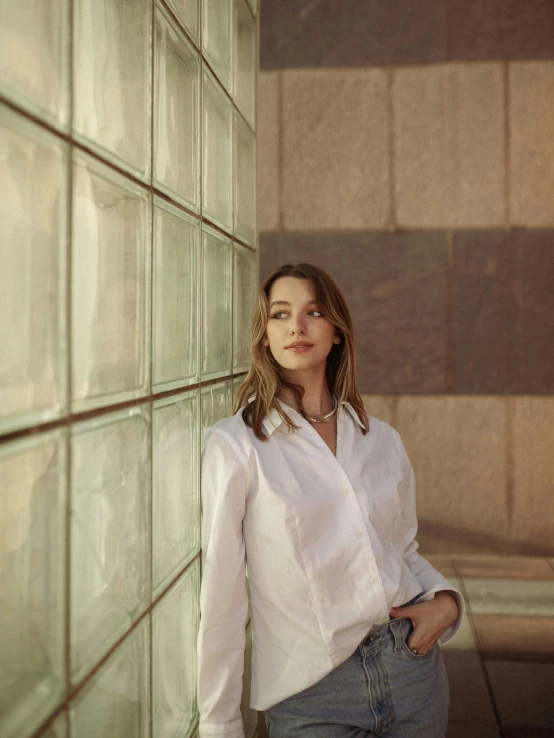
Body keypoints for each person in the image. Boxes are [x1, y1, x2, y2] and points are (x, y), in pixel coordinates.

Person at [197, 263, 464, 738]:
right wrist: (220, 721)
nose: (297, 327)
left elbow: (401, 552)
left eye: (313, 312)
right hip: (311, 696)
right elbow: (222, 596)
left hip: (412, 672)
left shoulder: (380, 440)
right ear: (264, 335)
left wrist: (446, 601)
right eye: (280, 314)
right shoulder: (236, 446)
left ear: (336, 331)